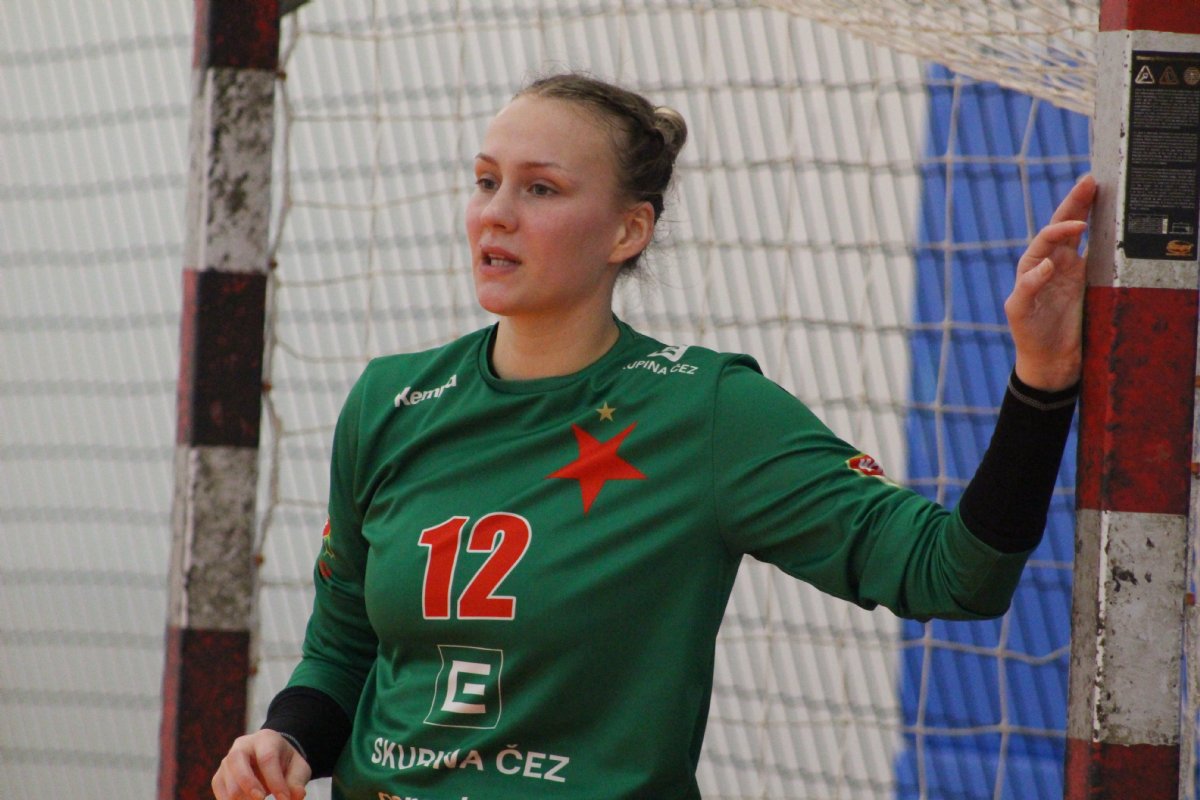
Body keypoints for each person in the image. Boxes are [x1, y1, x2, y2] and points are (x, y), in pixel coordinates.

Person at [211, 72, 1096, 800]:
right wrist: (286, 739)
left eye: (540, 189)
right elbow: (344, 650)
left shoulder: (707, 411)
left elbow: (957, 574)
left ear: (628, 230)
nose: (496, 214)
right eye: (485, 181)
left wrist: (1040, 382)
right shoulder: (391, 400)